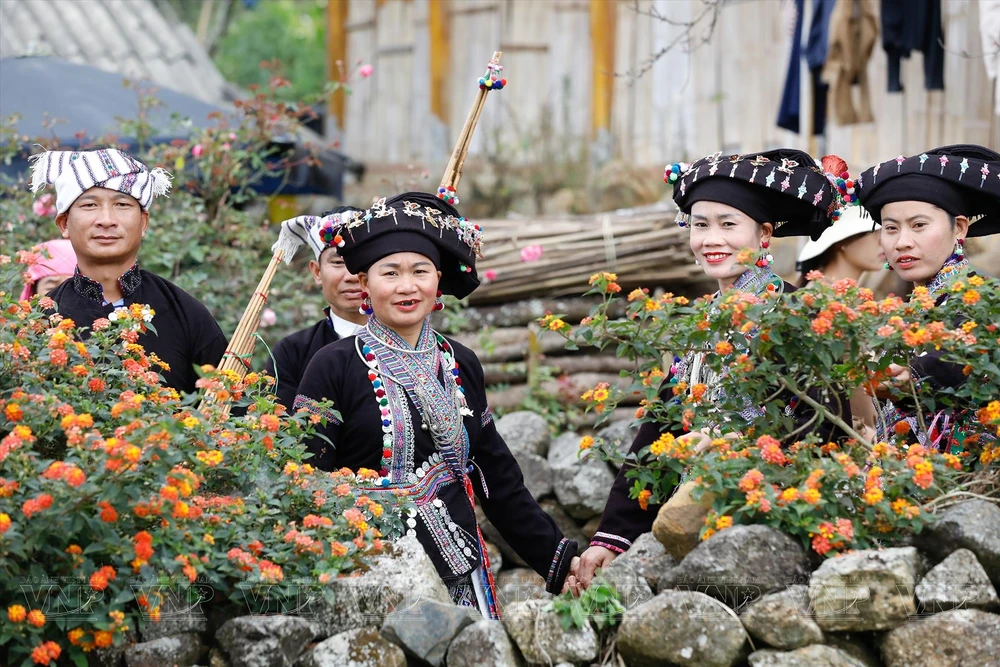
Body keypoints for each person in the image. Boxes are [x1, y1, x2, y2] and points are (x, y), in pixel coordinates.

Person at [574, 149, 849, 590]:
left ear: (762, 233)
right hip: (687, 520)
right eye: (700, 225)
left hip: (771, 522)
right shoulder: (704, 325)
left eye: (727, 224)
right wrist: (613, 536)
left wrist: (729, 444)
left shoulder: (798, 315)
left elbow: (825, 427)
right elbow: (658, 431)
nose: (710, 239)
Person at [293, 192, 578, 618]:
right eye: (390, 273)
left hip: (461, 571)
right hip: (367, 574)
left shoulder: (460, 362)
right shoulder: (331, 366)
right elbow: (303, 480)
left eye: (419, 271)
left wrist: (562, 563)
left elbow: (495, 477)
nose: (407, 286)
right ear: (365, 284)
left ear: (438, 282)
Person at [29, 148, 228, 395]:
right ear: (64, 223)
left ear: (143, 223)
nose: (106, 220)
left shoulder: (187, 314)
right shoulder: (39, 322)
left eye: (122, 204)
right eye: (90, 205)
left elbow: (228, 411)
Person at [855, 144, 1000, 446]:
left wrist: (912, 378)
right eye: (891, 228)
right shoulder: (906, 313)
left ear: (959, 228)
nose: (902, 242)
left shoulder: (986, 302)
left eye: (919, 225)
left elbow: (955, 360)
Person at [265, 206, 367, 409]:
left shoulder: (410, 344)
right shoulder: (292, 353)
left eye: (362, 261)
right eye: (338, 262)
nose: (352, 276)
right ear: (317, 272)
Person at [796, 205, 883, 287]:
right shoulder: (820, 296)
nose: (882, 241)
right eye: (872, 232)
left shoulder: (837, 294)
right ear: (841, 241)